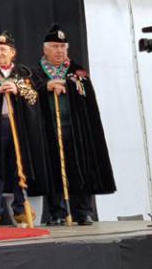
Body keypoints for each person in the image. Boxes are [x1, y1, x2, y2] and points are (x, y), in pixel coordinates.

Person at [32, 24, 116, 226]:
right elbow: (30, 96)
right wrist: (47, 87)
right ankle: (57, 212)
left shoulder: (77, 71)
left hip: (75, 129)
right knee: (53, 168)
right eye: (55, 47)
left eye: (62, 47)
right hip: (49, 129)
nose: (59, 51)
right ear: (45, 49)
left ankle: (84, 212)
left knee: (80, 168)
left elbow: (86, 97)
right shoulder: (36, 74)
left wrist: (67, 84)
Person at [0, 31, 49, 228]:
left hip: (19, 127)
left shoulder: (22, 73)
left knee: (19, 168)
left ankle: (21, 210)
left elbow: (33, 97)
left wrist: (18, 90)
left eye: (3, 50)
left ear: (12, 52)